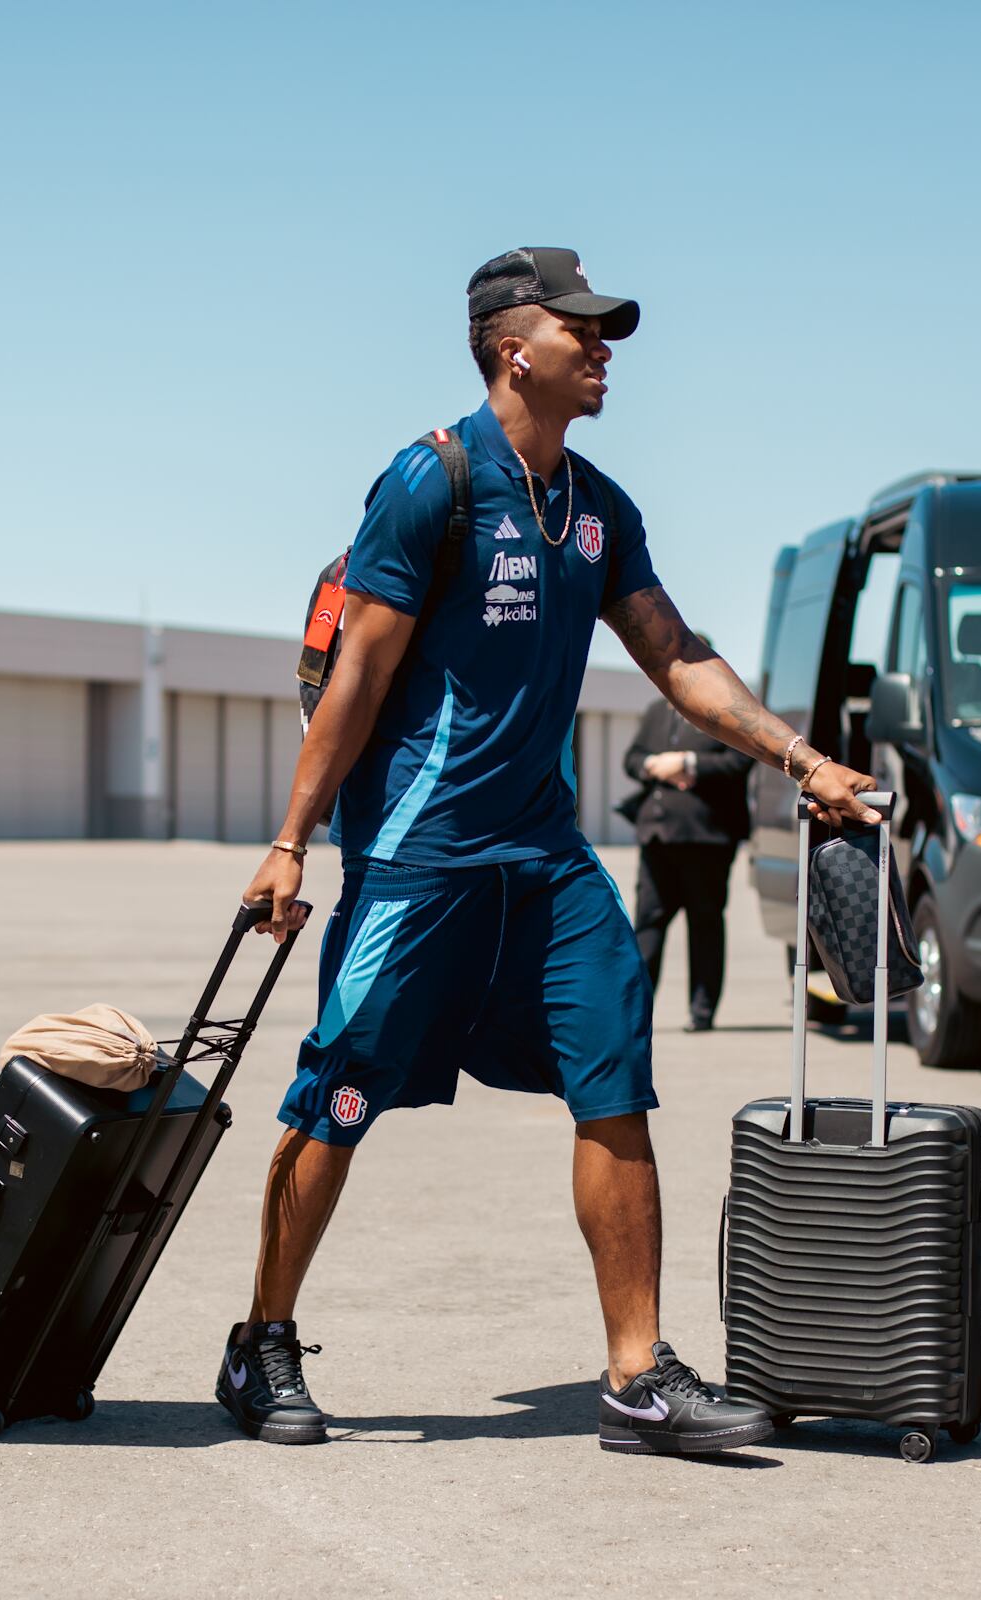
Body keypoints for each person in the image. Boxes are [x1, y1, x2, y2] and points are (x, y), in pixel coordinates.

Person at [224, 248, 878, 1454]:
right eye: (583, 329)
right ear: (514, 349)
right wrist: (291, 841)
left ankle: (637, 1373)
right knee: (340, 1092)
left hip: (545, 855)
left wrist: (800, 759)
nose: (605, 347)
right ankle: (261, 1337)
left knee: (613, 1075)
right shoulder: (431, 483)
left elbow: (676, 653)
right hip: (418, 856)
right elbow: (358, 674)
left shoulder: (600, 509)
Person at [621, 658, 752, 1031]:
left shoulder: (726, 711)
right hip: (657, 835)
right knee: (648, 923)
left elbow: (741, 761)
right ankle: (636, 1014)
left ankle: (702, 1012)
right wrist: (652, 765)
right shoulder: (656, 710)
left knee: (705, 922)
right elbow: (631, 758)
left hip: (706, 838)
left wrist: (689, 763)